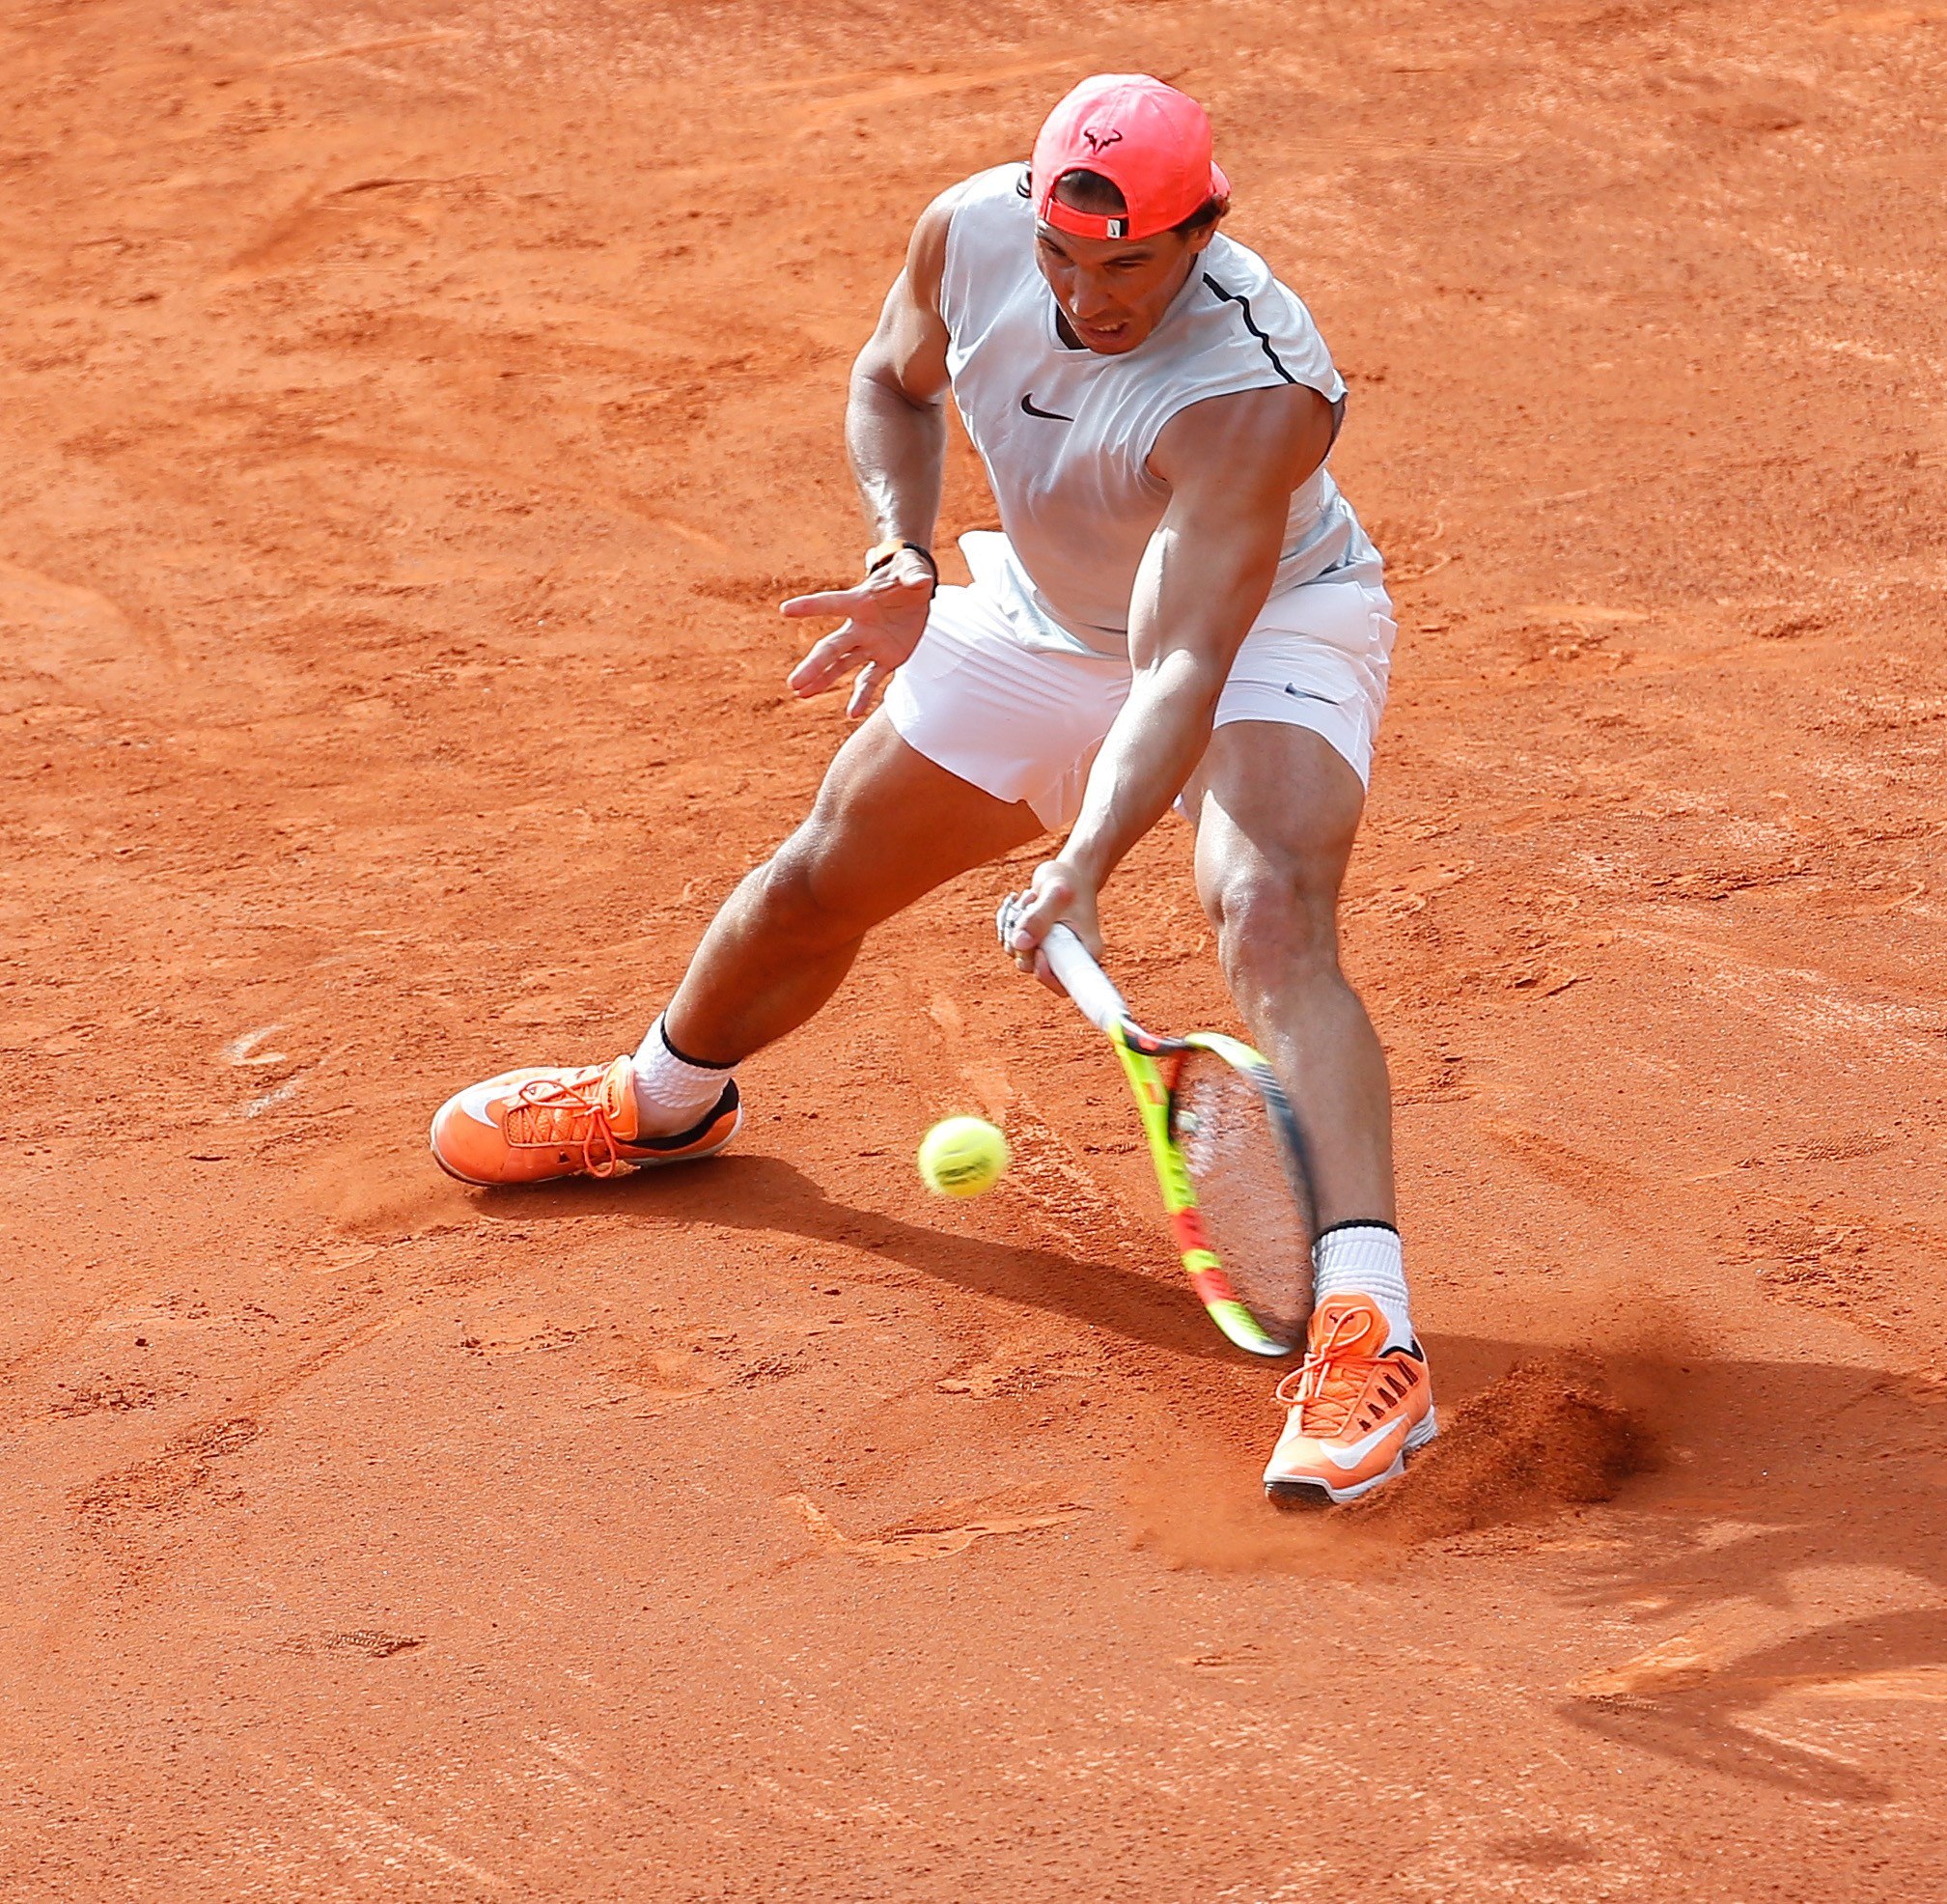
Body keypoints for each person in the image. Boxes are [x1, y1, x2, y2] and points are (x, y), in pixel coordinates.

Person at [427, 74, 1432, 1506]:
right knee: (817, 882)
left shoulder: (1253, 395)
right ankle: (660, 1101)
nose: (1088, 298)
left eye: (1128, 265)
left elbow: (1182, 668)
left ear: (1205, 231)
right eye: (1062, 258)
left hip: (1264, 632)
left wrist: (1084, 856)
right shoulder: (966, 230)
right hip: (1038, 615)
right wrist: (904, 551)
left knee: (1267, 910)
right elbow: (889, 383)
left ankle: (1367, 1336)